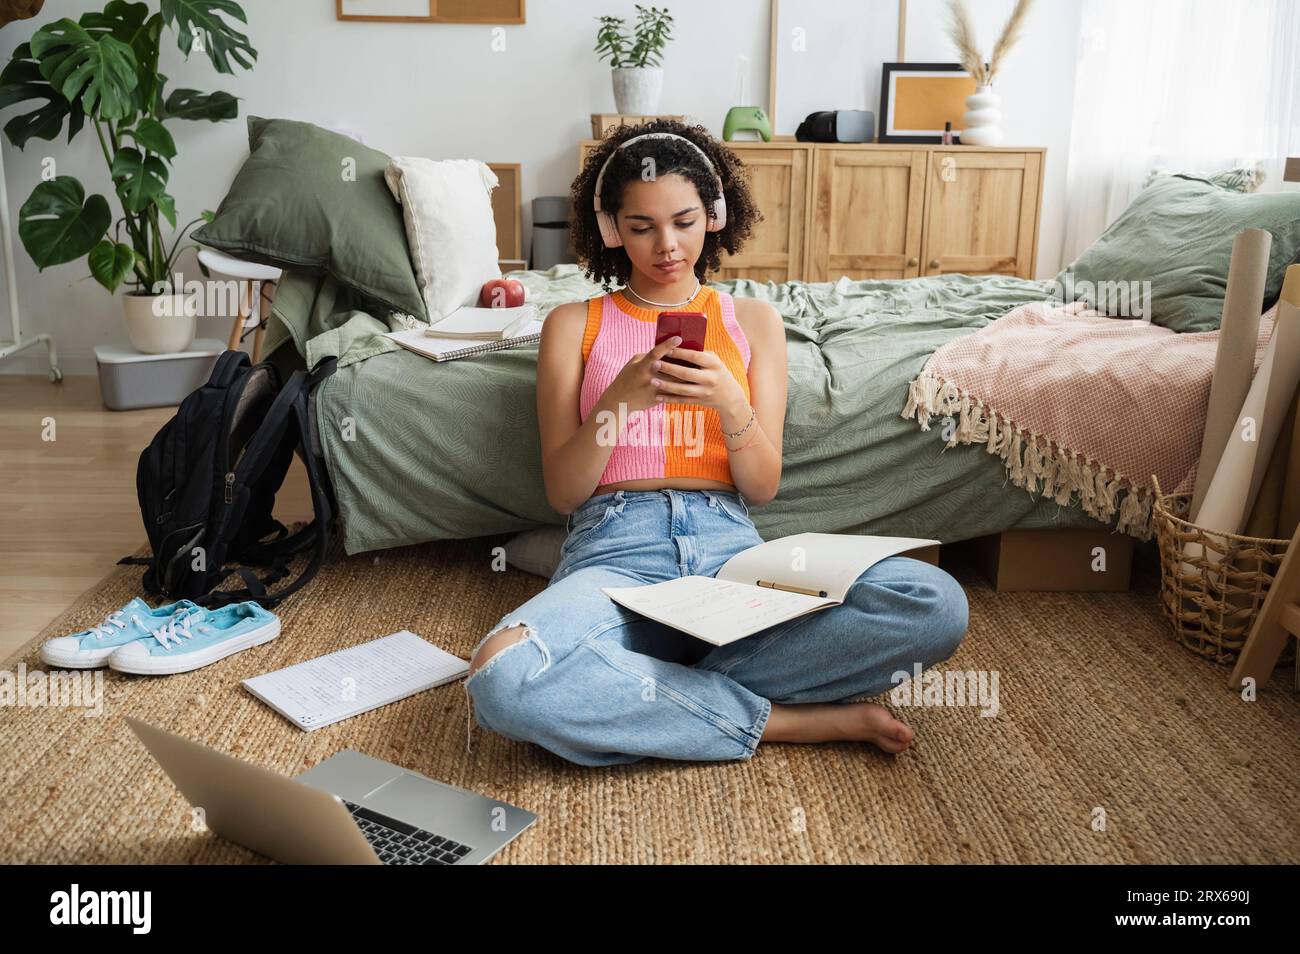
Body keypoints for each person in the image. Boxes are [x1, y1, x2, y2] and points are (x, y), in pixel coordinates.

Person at [463, 119, 968, 766]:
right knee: (501, 675)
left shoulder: (754, 321)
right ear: (612, 230)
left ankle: (643, 680)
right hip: (615, 552)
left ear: (716, 213)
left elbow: (761, 486)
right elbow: (565, 490)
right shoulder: (572, 324)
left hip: (729, 552)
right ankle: (783, 720)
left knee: (934, 601)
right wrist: (620, 402)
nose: (667, 245)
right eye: (641, 227)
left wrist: (731, 402)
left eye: (683, 220)